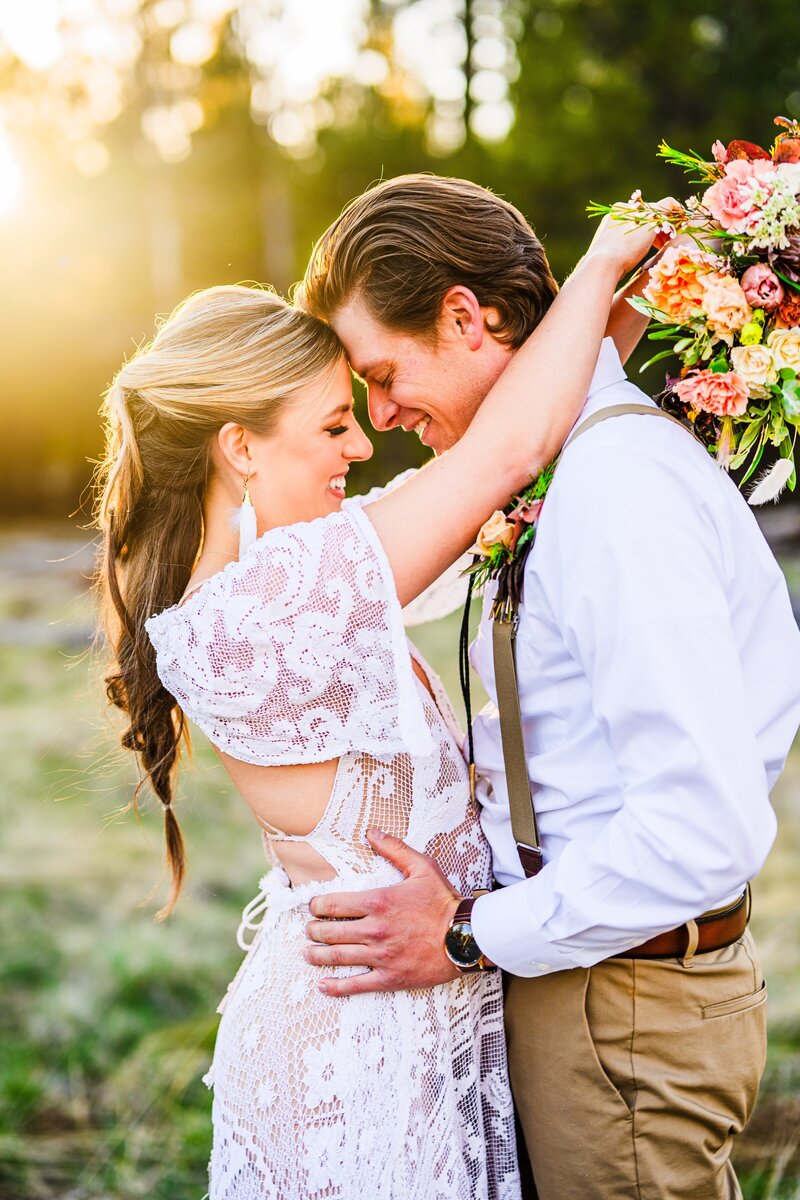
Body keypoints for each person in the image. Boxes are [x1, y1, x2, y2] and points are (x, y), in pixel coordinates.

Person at [93, 209, 655, 1200]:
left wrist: (657, 294)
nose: (363, 441)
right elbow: (501, 455)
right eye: (332, 422)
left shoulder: (296, 577)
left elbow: (495, 469)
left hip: (411, 1008)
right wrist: (612, 250)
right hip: (355, 1057)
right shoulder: (250, 614)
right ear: (240, 449)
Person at [298, 173, 800, 1200]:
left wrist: (464, 934)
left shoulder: (615, 490)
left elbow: (701, 827)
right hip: (582, 978)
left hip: (623, 1008)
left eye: (383, 374)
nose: (382, 414)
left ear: (462, 315)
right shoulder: (544, 476)